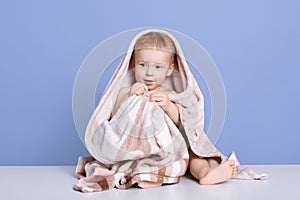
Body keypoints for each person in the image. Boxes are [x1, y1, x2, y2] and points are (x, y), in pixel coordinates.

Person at [110, 32, 237, 188]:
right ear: (133, 64)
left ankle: (205, 173)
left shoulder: (170, 95)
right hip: (138, 147)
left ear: (169, 70)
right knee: (134, 162)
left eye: (158, 67)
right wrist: (130, 95)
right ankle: (146, 176)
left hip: (169, 148)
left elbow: (182, 123)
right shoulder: (126, 91)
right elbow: (114, 117)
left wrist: (168, 105)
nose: (149, 72)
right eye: (143, 65)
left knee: (193, 154)